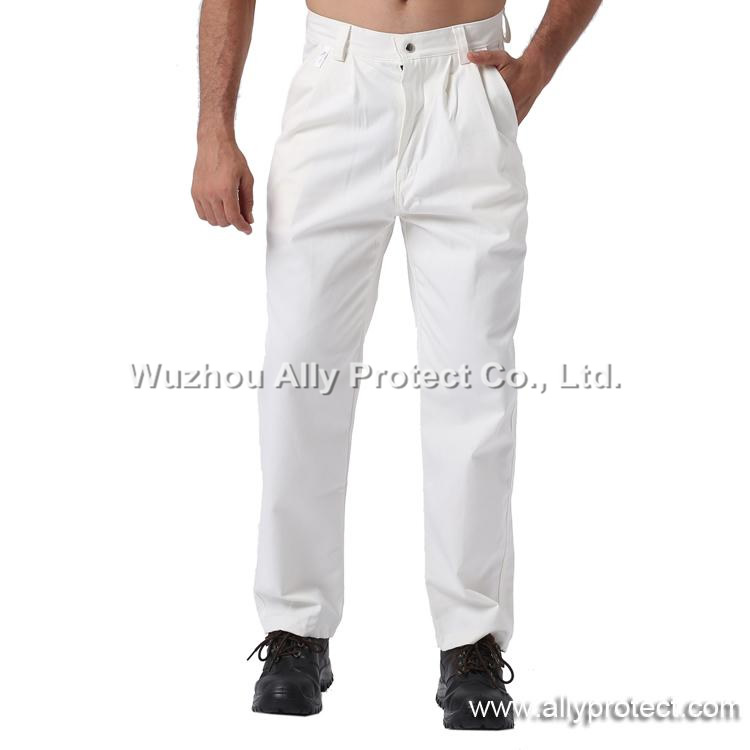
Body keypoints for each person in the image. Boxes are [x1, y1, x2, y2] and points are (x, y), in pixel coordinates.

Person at [191, 0, 601, 730]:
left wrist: (537, 65)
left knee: (474, 386)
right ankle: (294, 631)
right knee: (299, 378)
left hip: (467, 83)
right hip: (338, 83)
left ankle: (471, 644)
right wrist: (213, 129)